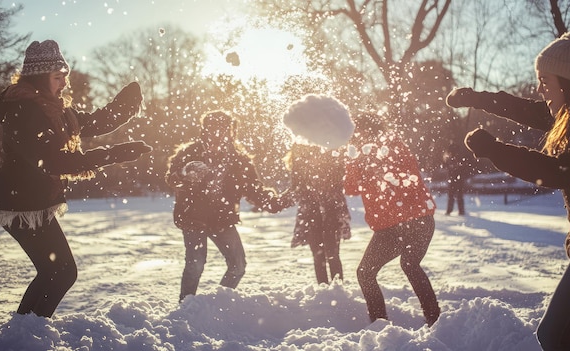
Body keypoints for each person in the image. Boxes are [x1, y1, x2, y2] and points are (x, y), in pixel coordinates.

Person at [446, 28, 570, 350]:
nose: (540, 90)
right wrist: (478, 99)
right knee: (558, 336)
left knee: (552, 335)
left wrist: (495, 149)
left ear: (567, 82)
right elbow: (527, 110)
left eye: (545, 82)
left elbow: (559, 171)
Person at [0, 40, 152, 318]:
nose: (64, 83)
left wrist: (123, 106)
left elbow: (95, 122)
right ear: (39, 77)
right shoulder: (23, 111)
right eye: (57, 77)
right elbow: (51, 162)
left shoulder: (54, 109)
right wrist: (113, 154)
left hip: (32, 200)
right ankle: (28, 331)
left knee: (54, 272)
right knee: (61, 272)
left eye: (64, 76)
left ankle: (24, 330)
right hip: (19, 203)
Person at [166, 110, 293, 302]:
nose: (217, 134)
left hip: (222, 220)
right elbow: (171, 178)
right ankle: (186, 307)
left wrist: (278, 202)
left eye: (223, 130)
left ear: (231, 132)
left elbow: (255, 191)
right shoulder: (190, 152)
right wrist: (183, 174)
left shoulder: (240, 161)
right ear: (205, 130)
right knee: (196, 265)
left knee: (238, 266)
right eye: (212, 129)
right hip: (193, 218)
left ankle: (217, 304)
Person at [344, 112, 440, 327]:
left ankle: (424, 320)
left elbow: (356, 185)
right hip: (405, 224)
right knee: (388, 268)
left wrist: (359, 161)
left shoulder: (382, 147)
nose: (355, 137)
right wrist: (353, 159)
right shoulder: (371, 150)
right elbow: (351, 188)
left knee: (390, 268)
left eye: (356, 132)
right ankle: (388, 323)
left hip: (408, 222)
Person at [284, 142, 351, 285]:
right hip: (313, 209)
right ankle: (327, 289)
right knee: (321, 254)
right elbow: (297, 186)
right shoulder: (301, 146)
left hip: (328, 207)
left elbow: (340, 177)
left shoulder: (328, 145)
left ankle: (336, 289)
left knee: (329, 253)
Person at [443, 142, 467, 215]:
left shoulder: (450, 158)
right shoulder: (458, 157)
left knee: (452, 195)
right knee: (458, 195)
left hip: (453, 178)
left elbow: (447, 166)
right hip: (457, 178)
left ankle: (450, 210)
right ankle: (460, 210)